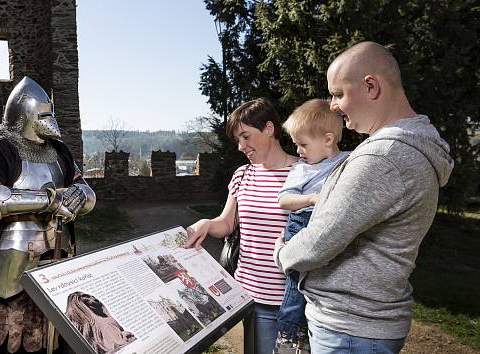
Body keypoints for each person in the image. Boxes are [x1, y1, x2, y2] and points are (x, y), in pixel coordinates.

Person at [273, 41, 454, 354]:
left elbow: (319, 242)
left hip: (349, 329)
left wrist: (283, 253)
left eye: (339, 94)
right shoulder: (407, 148)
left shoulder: (383, 157)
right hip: (364, 324)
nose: (332, 105)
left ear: (371, 86)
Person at [0, 76, 96, 354]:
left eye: (50, 112)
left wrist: (78, 195)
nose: (49, 119)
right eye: (43, 114)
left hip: (58, 253)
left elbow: (87, 192)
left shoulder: (58, 152)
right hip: (9, 256)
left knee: (50, 335)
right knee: (7, 333)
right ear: (25, 115)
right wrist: (51, 200)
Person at [185, 97, 298, 354]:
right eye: (238, 139)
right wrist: (206, 223)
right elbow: (227, 223)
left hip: (288, 300)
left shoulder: (303, 173)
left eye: (246, 136)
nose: (240, 146)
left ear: (269, 128)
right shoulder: (243, 175)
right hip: (246, 295)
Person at [273, 99, 349, 353]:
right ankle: (289, 331)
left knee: (323, 277)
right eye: (296, 144)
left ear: (328, 139)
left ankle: (310, 327)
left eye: (303, 144)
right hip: (302, 222)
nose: (298, 150)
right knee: (296, 280)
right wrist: (311, 199)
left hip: (332, 224)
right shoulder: (301, 169)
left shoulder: (350, 162)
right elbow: (284, 200)